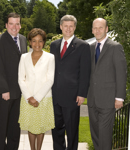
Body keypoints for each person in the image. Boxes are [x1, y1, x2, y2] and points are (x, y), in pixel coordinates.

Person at [50, 15, 91, 150]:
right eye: (65, 26)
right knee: (56, 131)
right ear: (61, 27)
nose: (68, 29)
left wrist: (82, 94)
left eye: (71, 26)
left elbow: (85, 72)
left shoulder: (83, 46)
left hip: (72, 97)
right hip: (55, 96)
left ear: (74, 27)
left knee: (72, 131)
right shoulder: (54, 45)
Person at [87, 18, 127, 150]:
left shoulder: (115, 47)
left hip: (108, 100)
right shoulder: (90, 48)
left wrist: (119, 98)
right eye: (95, 28)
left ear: (106, 29)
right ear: (92, 30)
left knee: (104, 136)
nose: (97, 30)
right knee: (96, 135)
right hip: (92, 100)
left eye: (101, 27)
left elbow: (121, 73)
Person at [0, 12, 27, 150]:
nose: (14, 26)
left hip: (19, 92)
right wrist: (3, 89)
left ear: (20, 25)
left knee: (15, 125)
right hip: (5, 92)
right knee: (2, 126)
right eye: (11, 23)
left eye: (17, 23)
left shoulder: (23, 39)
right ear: (6, 25)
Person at [18, 28, 55, 150]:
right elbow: (21, 79)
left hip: (43, 98)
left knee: (40, 127)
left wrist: (37, 98)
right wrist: (29, 97)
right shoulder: (23, 57)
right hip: (27, 98)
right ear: (30, 42)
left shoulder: (50, 57)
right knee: (30, 126)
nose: (37, 44)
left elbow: (50, 80)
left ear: (44, 42)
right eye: (34, 41)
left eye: (40, 41)